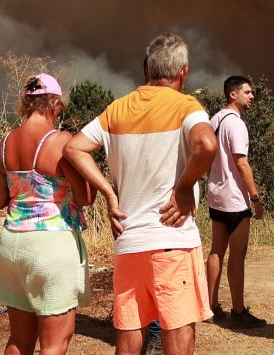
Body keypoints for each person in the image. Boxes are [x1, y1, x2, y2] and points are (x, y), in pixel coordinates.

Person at [65, 34, 217, 355]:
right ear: (183, 73)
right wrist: (183, 188)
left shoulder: (116, 110)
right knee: (178, 334)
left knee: (129, 334)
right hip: (171, 241)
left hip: (129, 240)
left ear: (147, 68)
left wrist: (108, 193)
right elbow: (206, 145)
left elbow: (73, 148)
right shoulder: (186, 106)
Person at [0, 73, 122, 355]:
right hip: (51, 246)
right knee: (55, 344)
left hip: (11, 245)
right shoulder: (61, 142)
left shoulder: (3, 144)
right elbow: (85, 198)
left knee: (18, 340)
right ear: (55, 104)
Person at [205, 75, 265, 327]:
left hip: (216, 195)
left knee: (216, 250)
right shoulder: (237, 125)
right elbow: (241, 162)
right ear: (233, 94)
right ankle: (238, 311)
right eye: (248, 92)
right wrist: (255, 197)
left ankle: (210, 306)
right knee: (237, 256)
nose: (252, 97)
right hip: (235, 200)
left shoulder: (214, 119)